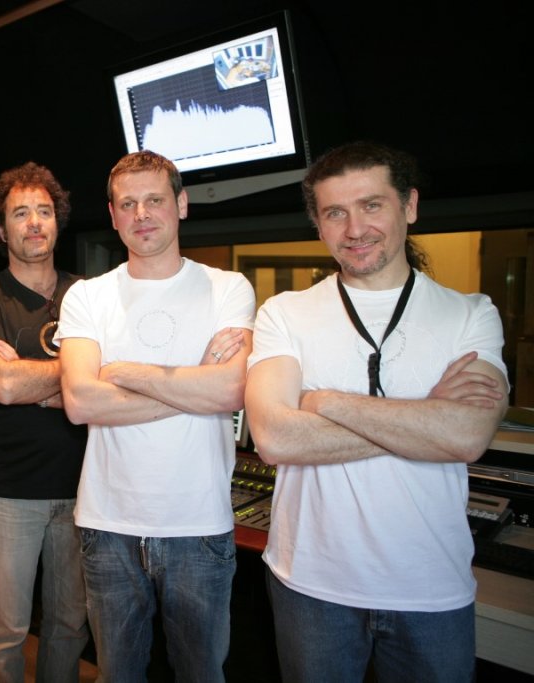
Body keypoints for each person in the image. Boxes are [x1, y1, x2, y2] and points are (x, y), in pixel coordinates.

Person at [244, 141, 508, 682]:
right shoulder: (284, 313)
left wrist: (323, 402)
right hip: (309, 584)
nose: (355, 228)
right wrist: (427, 418)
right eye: (335, 213)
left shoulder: (471, 314)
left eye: (371, 205)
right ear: (319, 225)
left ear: (409, 206)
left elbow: (467, 437)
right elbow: (275, 438)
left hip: (431, 588)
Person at [56, 150, 255, 681]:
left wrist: (124, 372)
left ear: (181, 204)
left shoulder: (227, 288)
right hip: (107, 526)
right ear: (113, 215)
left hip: (199, 525)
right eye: (128, 204)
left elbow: (232, 389)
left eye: (154, 200)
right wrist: (193, 383)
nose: (141, 214)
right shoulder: (87, 296)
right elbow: (80, 402)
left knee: (201, 674)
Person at [0, 162, 89, 682]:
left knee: (69, 627)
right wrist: (76, 377)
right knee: (5, 633)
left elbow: (112, 384)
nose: (34, 222)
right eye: (20, 213)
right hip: (9, 496)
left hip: (84, 492)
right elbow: (3, 386)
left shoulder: (88, 296)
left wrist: (33, 379)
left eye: (44, 211)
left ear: (58, 221)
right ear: (1, 229)